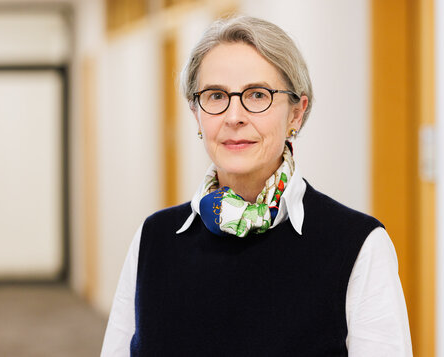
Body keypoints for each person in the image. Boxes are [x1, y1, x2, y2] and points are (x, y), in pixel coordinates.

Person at [101, 15, 412, 356]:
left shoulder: (357, 245)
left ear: (296, 113)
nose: (234, 116)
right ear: (196, 113)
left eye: (257, 94)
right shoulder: (154, 239)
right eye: (216, 96)